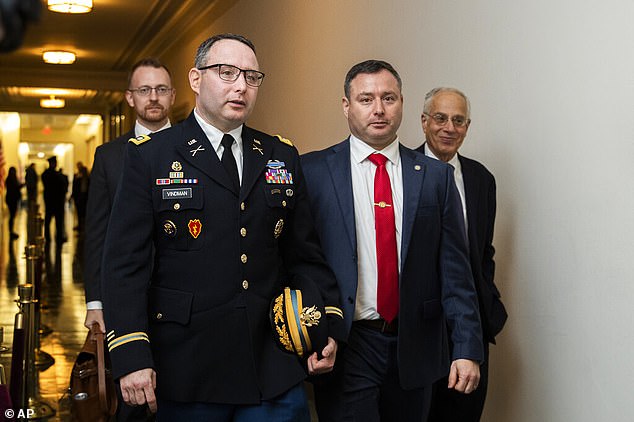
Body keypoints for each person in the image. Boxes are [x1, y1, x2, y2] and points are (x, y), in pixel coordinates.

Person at [101, 34, 345, 421]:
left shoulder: (280, 154)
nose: (241, 86)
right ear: (196, 80)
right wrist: (131, 355)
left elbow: (305, 256)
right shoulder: (152, 156)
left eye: (251, 76)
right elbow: (123, 266)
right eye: (227, 72)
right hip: (186, 366)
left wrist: (328, 325)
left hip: (270, 364)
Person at [301, 60, 484, 421]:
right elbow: (302, 262)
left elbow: (456, 274)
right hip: (348, 343)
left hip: (415, 345)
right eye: (366, 99)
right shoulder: (313, 172)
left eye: (389, 98)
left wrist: (467, 347)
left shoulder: (435, 177)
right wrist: (314, 332)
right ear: (346, 105)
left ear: (403, 103)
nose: (379, 109)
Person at [83, 57, 176, 422]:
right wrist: (95, 301)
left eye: (162, 89)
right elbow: (97, 235)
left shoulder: (195, 148)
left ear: (172, 95)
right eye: (145, 90)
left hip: (179, 296)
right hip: (126, 297)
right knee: (131, 400)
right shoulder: (109, 156)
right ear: (130, 98)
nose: (154, 97)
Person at [416, 87, 508, 422]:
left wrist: (487, 306)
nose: (449, 128)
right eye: (440, 118)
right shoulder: (401, 170)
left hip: (470, 327)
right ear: (424, 122)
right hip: (418, 327)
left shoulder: (482, 179)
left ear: (467, 126)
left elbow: (484, 252)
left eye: (458, 120)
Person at [40, 156, 67, 245]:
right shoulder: (58, 175)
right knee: (58, 221)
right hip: (57, 201)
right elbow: (63, 187)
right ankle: (58, 238)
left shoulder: (45, 174)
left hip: (50, 201)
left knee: (48, 221)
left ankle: (48, 238)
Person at [4, 166, 23, 239]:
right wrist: (21, 185)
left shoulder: (9, 179)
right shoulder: (11, 179)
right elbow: (15, 188)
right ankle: (11, 231)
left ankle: (11, 231)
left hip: (11, 199)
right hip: (12, 200)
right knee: (12, 215)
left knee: (12, 215)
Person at [71, 161, 90, 232]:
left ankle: (83, 225)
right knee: (79, 212)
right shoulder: (77, 176)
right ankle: (80, 225)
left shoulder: (86, 177)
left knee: (83, 212)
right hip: (79, 197)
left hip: (84, 196)